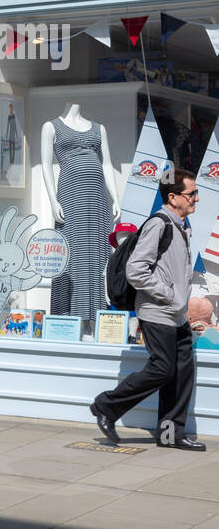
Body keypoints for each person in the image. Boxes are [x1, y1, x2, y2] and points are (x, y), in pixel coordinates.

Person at [91, 169, 204, 450]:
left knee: (181, 373)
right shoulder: (160, 224)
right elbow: (136, 270)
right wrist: (169, 295)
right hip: (157, 311)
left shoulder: (180, 226)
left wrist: (179, 302)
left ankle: (170, 434)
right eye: (192, 194)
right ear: (173, 196)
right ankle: (106, 406)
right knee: (163, 368)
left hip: (175, 314)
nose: (196, 199)